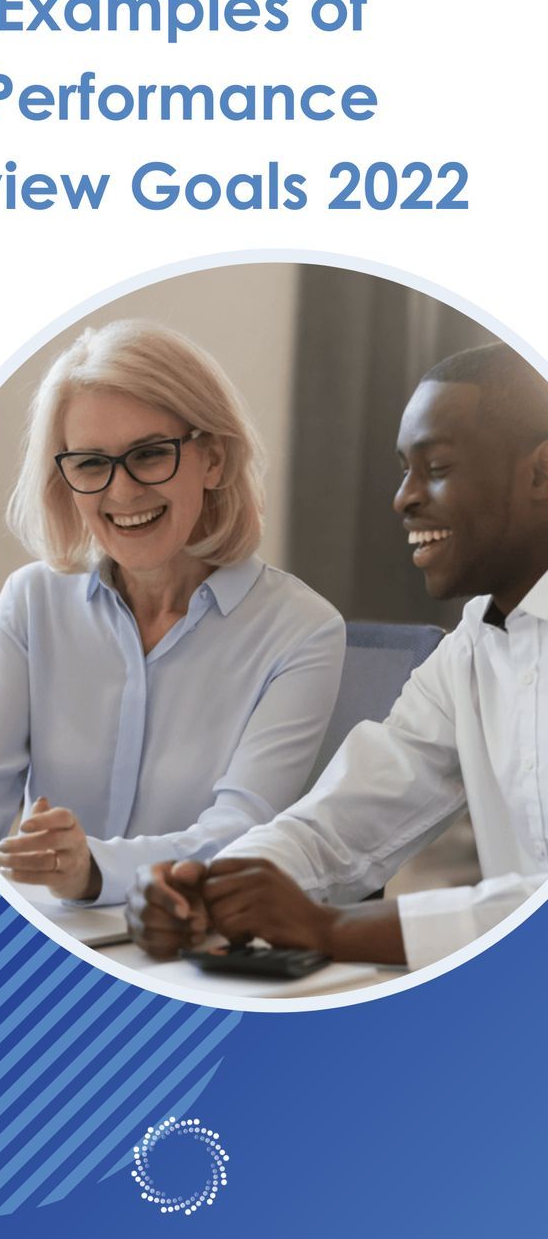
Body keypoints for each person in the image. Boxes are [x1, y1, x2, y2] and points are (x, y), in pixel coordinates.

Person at [127, 342, 548, 967]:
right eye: (403, 468)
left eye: (436, 466)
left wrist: (333, 930)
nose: (403, 498)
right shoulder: (471, 650)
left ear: (540, 475)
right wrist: (210, 888)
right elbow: (341, 826)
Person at [0, 320, 345, 904]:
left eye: (151, 454)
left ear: (213, 459)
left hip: (191, 946)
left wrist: (92, 870)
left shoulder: (303, 630)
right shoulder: (31, 602)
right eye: (89, 464)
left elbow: (239, 839)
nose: (123, 492)